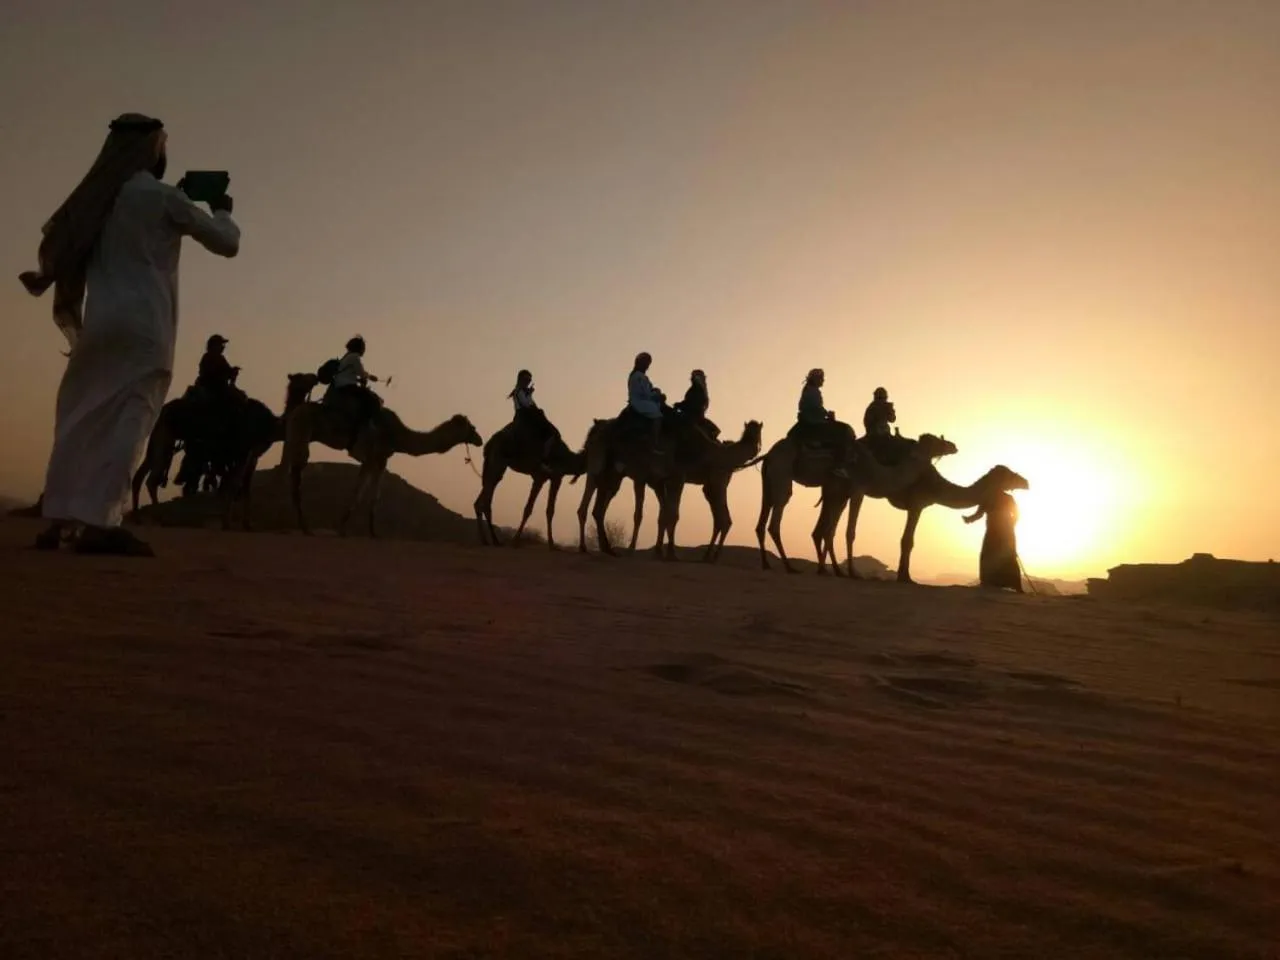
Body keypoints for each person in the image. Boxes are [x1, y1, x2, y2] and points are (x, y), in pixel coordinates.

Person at [20, 113, 240, 555]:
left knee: (80, 417)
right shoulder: (161, 197)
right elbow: (226, 243)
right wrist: (222, 209)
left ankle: (59, 520)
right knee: (132, 416)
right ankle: (101, 523)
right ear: (153, 150)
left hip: (99, 324)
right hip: (144, 326)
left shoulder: (95, 201)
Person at [793, 368, 855, 478]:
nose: (823, 380)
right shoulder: (812, 391)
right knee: (843, 430)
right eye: (821, 378)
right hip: (813, 423)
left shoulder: (809, 390)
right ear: (815, 379)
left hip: (811, 421)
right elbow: (815, 408)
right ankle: (839, 465)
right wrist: (827, 414)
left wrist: (824, 414)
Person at [325, 335, 383, 449]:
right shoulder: (354, 357)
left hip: (340, 384)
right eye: (363, 347)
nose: (364, 350)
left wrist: (361, 378)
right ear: (359, 348)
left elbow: (350, 374)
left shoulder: (346, 357)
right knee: (372, 400)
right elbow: (361, 373)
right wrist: (370, 377)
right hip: (347, 385)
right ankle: (367, 425)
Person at [964, 492, 1023, 592]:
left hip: (999, 533)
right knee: (1003, 556)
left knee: (1002, 556)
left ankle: (996, 583)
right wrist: (1010, 525)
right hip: (1000, 532)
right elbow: (1016, 515)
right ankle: (1007, 585)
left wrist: (970, 519)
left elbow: (979, 514)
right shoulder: (1002, 498)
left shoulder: (989, 497)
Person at [508, 369, 561, 462]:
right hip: (524, 415)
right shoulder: (518, 391)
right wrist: (529, 395)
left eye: (529, 380)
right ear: (520, 380)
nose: (528, 382)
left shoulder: (523, 392)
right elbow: (526, 404)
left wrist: (529, 394)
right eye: (526, 380)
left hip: (528, 414)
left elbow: (531, 404)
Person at [627, 352, 666, 452]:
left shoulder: (641, 376)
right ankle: (654, 443)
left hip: (643, 399)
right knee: (657, 416)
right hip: (640, 401)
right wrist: (657, 395)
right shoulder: (638, 376)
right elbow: (646, 393)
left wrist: (655, 392)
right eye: (646, 363)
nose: (647, 366)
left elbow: (648, 390)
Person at [673, 368, 720, 439]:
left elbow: (693, 403)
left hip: (693, 416)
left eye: (694, 376)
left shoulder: (698, 390)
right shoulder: (695, 389)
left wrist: (680, 405)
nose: (692, 378)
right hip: (692, 414)